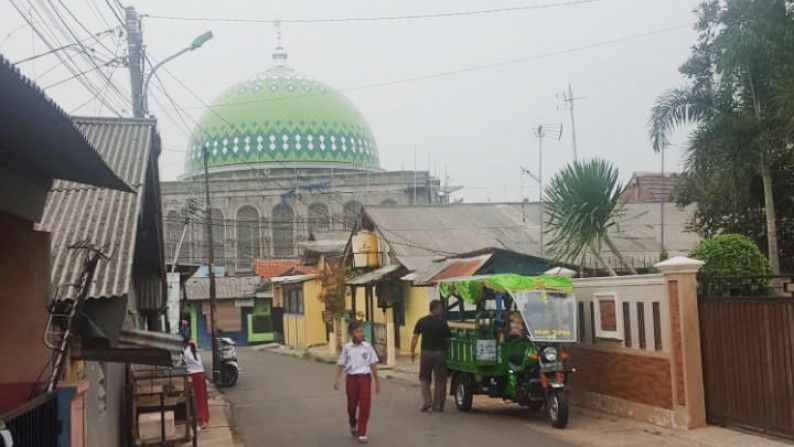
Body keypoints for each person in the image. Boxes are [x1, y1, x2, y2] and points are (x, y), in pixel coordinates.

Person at [334, 321, 381, 444]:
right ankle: (352, 423)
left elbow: (373, 364)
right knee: (352, 405)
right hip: (351, 378)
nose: (361, 334)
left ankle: (362, 432)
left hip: (365, 378)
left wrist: (377, 381)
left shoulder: (367, 347)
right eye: (357, 331)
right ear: (351, 333)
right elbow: (341, 364)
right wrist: (337, 380)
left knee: (365, 405)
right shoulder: (347, 348)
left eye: (361, 331)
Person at [410, 299, 451, 413]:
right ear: (436, 309)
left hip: (426, 353)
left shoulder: (422, 321)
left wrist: (412, 351)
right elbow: (448, 340)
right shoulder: (442, 323)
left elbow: (415, 337)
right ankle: (438, 406)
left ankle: (427, 401)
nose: (441, 311)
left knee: (424, 378)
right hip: (440, 353)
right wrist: (447, 351)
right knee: (440, 380)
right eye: (440, 308)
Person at [183, 337, 210, 430]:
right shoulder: (195, 352)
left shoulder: (186, 352)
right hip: (200, 375)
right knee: (202, 398)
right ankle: (205, 419)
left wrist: (188, 377)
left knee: (197, 399)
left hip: (194, 376)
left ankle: (202, 421)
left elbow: (185, 367)